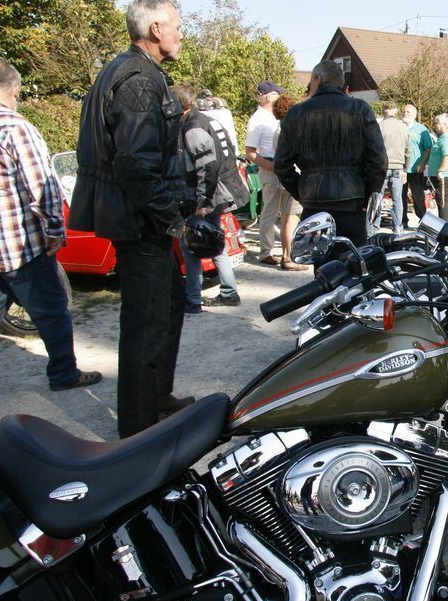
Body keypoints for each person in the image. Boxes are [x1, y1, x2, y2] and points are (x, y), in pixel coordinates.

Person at [0, 59, 101, 401]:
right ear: (13, 88)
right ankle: (63, 372)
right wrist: (55, 230)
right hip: (19, 242)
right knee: (52, 308)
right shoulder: (12, 125)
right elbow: (41, 186)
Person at [71, 0, 191, 437]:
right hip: (140, 221)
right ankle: (139, 428)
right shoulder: (139, 78)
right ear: (156, 28)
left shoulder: (133, 71)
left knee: (170, 303)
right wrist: (171, 219)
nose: (181, 33)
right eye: (177, 26)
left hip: (140, 218)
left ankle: (157, 396)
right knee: (145, 323)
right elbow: (135, 164)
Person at [274, 60, 387, 248]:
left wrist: (302, 191)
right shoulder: (360, 109)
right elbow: (379, 160)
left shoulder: (295, 113)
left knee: (323, 267)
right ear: (341, 83)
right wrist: (368, 193)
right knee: (354, 264)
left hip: (314, 201)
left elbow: (281, 164)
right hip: (351, 200)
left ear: (318, 79)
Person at [171, 83, 248, 311]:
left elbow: (208, 166)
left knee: (192, 245)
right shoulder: (206, 120)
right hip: (218, 191)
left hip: (206, 195)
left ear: (179, 105)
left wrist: (202, 202)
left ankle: (193, 300)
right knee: (215, 243)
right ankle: (228, 292)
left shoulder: (193, 126)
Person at [245, 80, 286, 266]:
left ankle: (284, 248)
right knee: (270, 210)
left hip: (280, 165)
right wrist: (272, 167)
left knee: (284, 211)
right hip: (270, 166)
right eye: (277, 94)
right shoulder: (258, 120)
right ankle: (265, 251)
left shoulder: (272, 116)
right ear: (270, 96)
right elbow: (250, 153)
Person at [270, 94, 307, 270]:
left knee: (286, 218)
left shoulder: (278, 128)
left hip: (282, 179)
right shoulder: (288, 129)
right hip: (292, 176)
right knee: (291, 218)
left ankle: (286, 255)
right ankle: (289, 258)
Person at [379, 101, 411, 233]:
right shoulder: (403, 127)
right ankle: (398, 227)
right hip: (398, 167)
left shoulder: (380, 126)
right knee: (397, 199)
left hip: (382, 167)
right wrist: (406, 169)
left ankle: (374, 227)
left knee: (378, 199)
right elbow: (409, 151)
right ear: (395, 110)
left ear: (384, 111)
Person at [401, 104, 434, 228]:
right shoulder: (399, 127)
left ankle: (423, 220)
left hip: (416, 169)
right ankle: (403, 221)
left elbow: (428, 148)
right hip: (401, 169)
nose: (405, 113)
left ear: (414, 114)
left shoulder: (422, 129)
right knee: (400, 197)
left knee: (418, 196)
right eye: (403, 111)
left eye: (408, 112)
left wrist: (422, 163)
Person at [427, 113, 448, 223]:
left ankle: (445, 227)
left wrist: (441, 170)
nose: (435, 125)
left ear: (444, 124)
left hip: (445, 175)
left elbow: (447, 155)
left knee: (443, 202)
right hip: (445, 175)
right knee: (443, 200)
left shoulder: (447, 137)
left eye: (437, 123)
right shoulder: (444, 137)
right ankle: (445, 226)